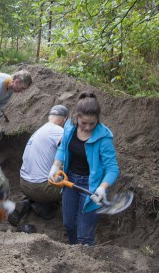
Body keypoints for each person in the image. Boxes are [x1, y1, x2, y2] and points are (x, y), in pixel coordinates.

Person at [48, 93, 120, 246]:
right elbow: (62, 148)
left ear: (97, 120)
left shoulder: (104, 137)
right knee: (69, 224)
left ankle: (86, 259)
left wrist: (102, 188)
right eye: (83, 123)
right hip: (70, 181)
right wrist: (55, 166)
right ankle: (75, 253)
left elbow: (112, 168)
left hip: (91, 187)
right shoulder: (69, 128)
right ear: (76, 118)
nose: (87, 127)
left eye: (92, 124)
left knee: (85, 235)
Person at [10, 104, 69, 227]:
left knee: (53, 175)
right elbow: (70, 150)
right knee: (72, 182)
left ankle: (30, 203)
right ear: (65, 120)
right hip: (41, 188)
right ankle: (46, 207)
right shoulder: (58, 131)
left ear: (49, 117)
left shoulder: (40, 131)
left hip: (24, 183)